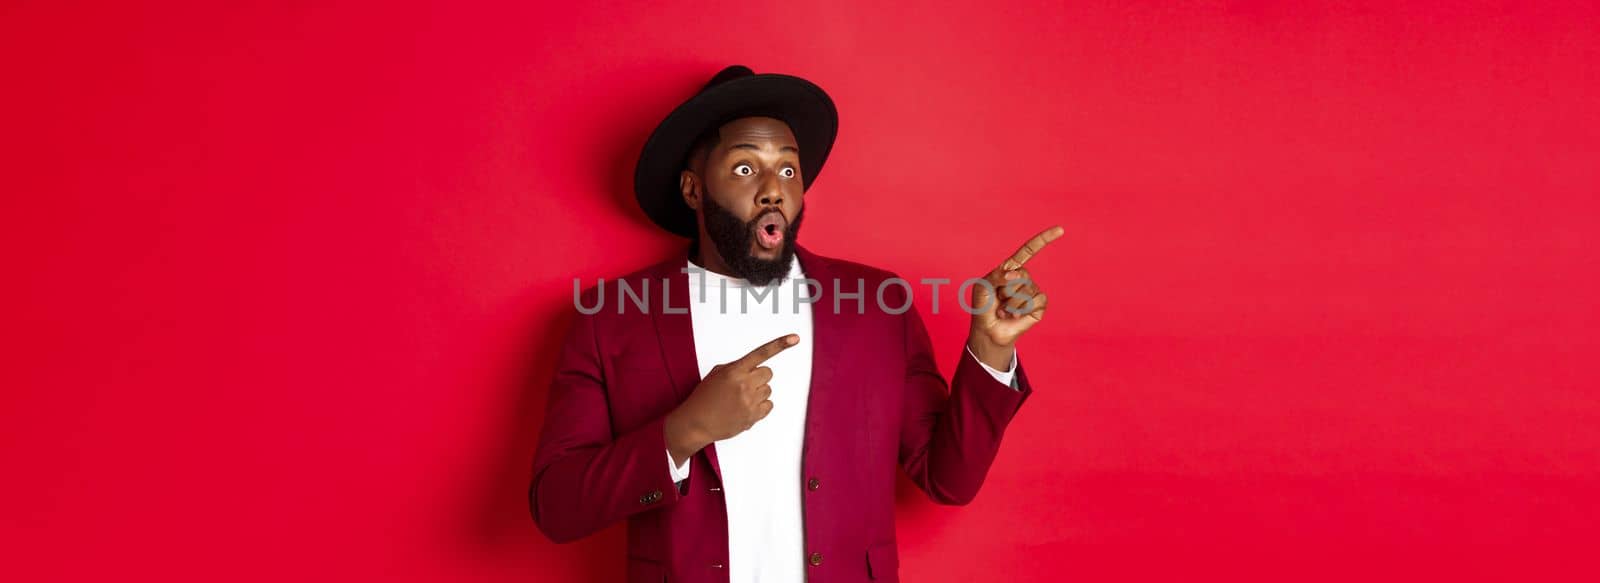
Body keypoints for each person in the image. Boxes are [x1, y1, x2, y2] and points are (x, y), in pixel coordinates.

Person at [530, 65, 1060, 582]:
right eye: (744, 168)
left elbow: (950, 480)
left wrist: (989, 350)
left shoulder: (877, 305)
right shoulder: (612, 317)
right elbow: (557, 506)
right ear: (693, 191)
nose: (773, 189)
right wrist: (685, 431)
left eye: (787, 169)